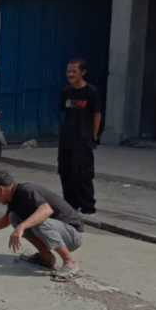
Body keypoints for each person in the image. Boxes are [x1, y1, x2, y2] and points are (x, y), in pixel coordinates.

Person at [0, 171, 83, 281]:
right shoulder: (14, 198)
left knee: (39, 222)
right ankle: (46, 258)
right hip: (60, 232)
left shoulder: (26, 190)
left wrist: (21, 227)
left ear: (0, 189)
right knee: (14, 216)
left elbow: (46, 210)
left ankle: (70, 262)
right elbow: (6, 220)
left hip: (72, 235)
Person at [58, 58, 102, 215]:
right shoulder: (66, 92)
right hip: (66, 139)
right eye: (68, 71)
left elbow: (97, 114)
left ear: (83, 73)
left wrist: (94, 136)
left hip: (83, 139)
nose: (70, 74)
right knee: (65, 171)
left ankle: (87, 206)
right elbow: (64, 112)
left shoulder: (91, 92)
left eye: (73, 71)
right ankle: (70, 205)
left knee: (82, 173)